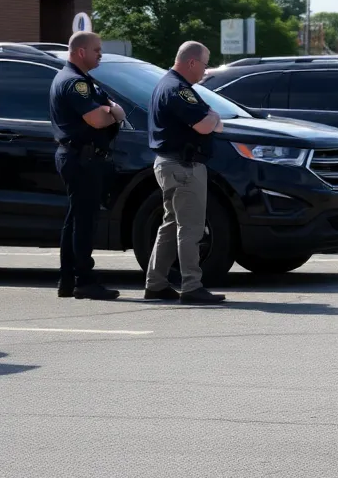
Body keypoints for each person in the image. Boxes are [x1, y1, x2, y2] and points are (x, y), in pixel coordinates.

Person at [145, 41, 226, 305]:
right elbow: (207, 125)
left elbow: (215, 125)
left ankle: (156, 284)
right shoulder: (179, 90)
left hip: (172, 165)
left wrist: (212, 119)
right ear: (192, 62)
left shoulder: (169, 84)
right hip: (184, 167)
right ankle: (191, 285)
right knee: (190, 229)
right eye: (204, 63)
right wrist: (212, 116)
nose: (205, 70)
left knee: (170, 227)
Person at [49, 31, 126, 300]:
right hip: (82, 158)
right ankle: (84, 280)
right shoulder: (75, 83)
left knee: (76, 219)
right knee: (83, 221)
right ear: (81, 52)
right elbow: (98, 118)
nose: (100, 54)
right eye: (97, 49)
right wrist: (115, 114)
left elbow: (108, 107)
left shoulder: (83, 80)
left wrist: (111, 111)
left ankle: (68, 279)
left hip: (81, 156)